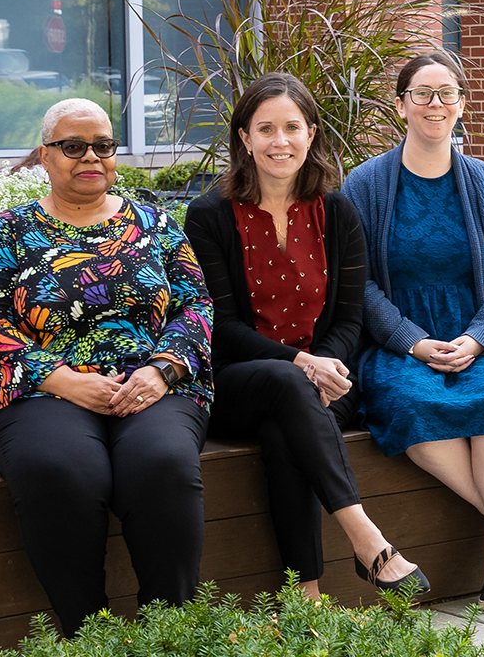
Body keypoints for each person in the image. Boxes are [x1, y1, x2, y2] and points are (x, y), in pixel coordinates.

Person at [0, 99, 213, 636]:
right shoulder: (10, 229)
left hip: (150, 384)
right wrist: (62, 380)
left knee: (162, 464)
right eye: (73, 147)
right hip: (40, 390)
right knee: (63, 469)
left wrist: (163, 369)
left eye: (102, 146)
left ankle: (166, 634)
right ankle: (88, 636)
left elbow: (196, 304)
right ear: (45, 157)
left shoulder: (155, 222)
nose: (90, 158)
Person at [185, 73, 428, 599]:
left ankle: (306, 599)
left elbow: (348, 319)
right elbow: (220, 328)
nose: (280, 141)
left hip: (329, 380)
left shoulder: (338, 213)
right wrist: (303, 365)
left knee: (284, 432)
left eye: (292, 127)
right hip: (235, 382)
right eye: (265, 129)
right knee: (287, 388)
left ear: (312, 133)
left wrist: (323, 366)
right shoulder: (209, 215)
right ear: (244, 138)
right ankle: (367, 539)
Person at [341, 52, 484, 613]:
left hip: (479, 330)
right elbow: (358, 284)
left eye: (446, 93)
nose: (434, 104)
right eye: (422, 93)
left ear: (462, 104)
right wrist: (411, 341)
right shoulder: (363, 184)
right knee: (412, 401)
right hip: (400, 339)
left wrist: (480, 339)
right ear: (400, 104)